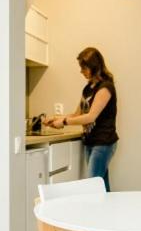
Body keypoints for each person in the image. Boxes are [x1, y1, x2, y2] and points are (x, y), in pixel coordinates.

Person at [45, 47, 119, 191]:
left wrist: (64, 122)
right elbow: (76, 114)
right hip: (90, 141)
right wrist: (55, 119)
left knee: (91, 186)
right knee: (101, 186)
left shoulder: (105, 88)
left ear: (94, 67)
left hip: (103, 143)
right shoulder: (87, 89)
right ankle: (108, 205)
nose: (81, 71)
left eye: (84, 68)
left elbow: (91, 117)